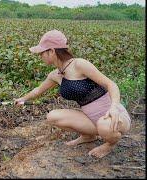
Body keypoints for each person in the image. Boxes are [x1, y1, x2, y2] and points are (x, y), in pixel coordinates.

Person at [14, 29, 131, 158]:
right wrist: (22, 99)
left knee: (105, 126)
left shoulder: (79, 64)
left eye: (41, 53)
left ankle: (109, 145)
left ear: (52, 51)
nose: (39, 56)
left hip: (114, 117)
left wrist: (114, 107)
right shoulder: (55, 75)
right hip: (91, 120)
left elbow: (111, 84)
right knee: (52, 117)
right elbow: (37, 90)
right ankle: (88, 136)